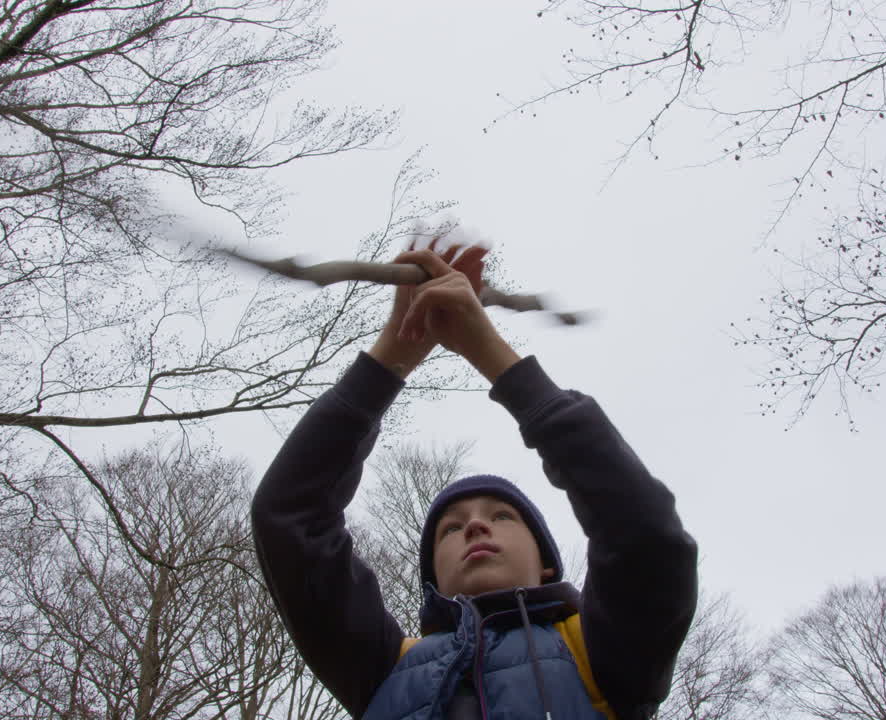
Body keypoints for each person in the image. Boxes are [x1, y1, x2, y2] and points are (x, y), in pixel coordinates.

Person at [251, 242, 698, 720]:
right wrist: (393, 354)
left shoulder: (600, 653)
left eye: (501, 515)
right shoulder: (382, 667)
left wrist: (491, 351)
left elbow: (645, 536)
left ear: (547, 564)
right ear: (434, 579)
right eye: (450, 528)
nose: (474, 528)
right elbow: (290, 518)